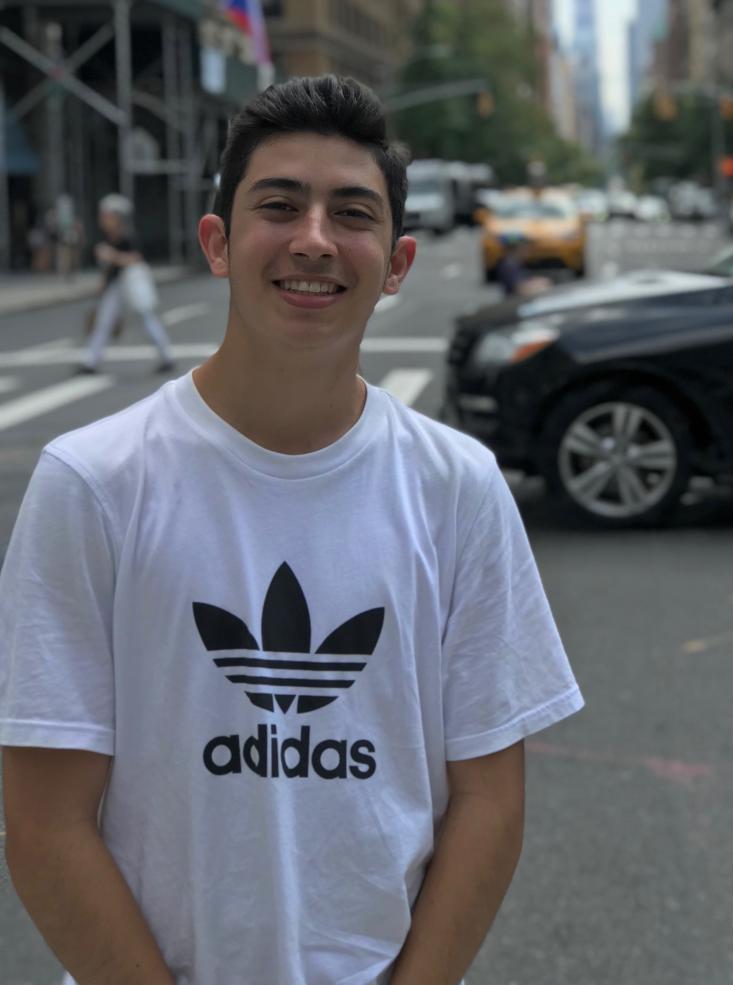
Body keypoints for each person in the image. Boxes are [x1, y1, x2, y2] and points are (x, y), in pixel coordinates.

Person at [0, 76, 584, 985]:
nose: (314, 238)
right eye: (279, 204)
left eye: (352, 212)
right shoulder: (94, 481)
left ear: (396, 264)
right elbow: (43, 821)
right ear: (218, 243)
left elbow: (488, 799)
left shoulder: (457, 486)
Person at [77, 193, 174, 374]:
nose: (103, 220)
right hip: (116, 285)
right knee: (103, 321)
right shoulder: (109, 239)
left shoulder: (128, 237)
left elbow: (134, 259)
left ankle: (166, 356)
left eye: (107, 216)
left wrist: (111, 255)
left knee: (146, 316)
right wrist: (104, 281)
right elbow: (112, 267)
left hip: (131, 282)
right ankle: (90, 361)